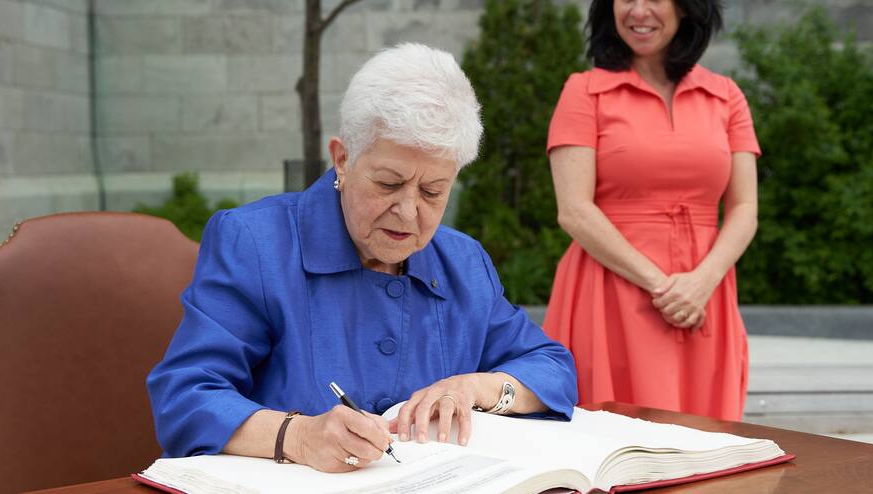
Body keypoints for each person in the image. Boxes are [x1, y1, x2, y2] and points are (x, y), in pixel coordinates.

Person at [147, 43, 577, 473]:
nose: (409, 212)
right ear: (343, 159)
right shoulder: (257, 244)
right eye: (389, 184)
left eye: (432, 191)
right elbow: (185, 395)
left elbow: (553, 369)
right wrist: (296, 436)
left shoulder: (463, 262)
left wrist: (475, 388)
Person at [542, 0, 760, 421]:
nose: (639, 10)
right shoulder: (584, 91)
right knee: (615, 441)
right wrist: (663, 286)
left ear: (686, 8)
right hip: (611, 291)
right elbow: (573, 210)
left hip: (704, 294)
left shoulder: (726, 96)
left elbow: (745, 207)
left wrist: (701, 282)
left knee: (709, 444)